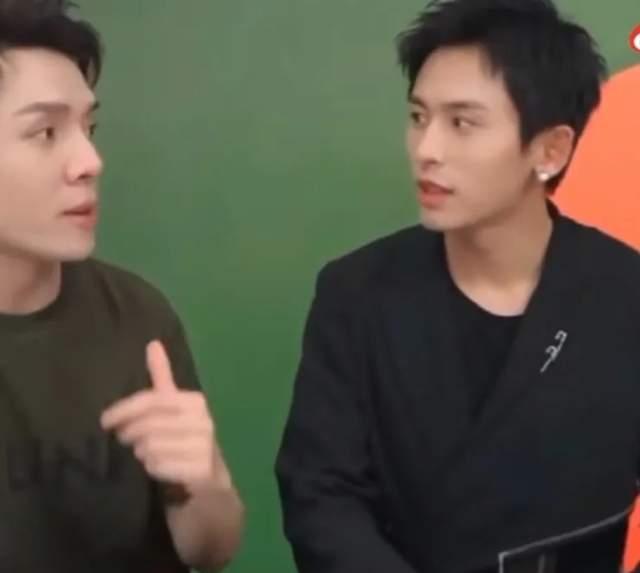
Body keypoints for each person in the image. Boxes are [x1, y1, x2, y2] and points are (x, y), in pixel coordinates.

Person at [276, 1, 640, 572]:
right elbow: (320, 496)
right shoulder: (357, 294)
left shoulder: (624, 295)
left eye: (462, 123)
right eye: (418, 117)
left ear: (550, 150)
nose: (427, 150)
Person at [0, 1, 243, 571]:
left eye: (89, 128)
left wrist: (204, 483)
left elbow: (212, 551)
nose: (90, 160)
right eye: (45, 132)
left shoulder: (137, 315)